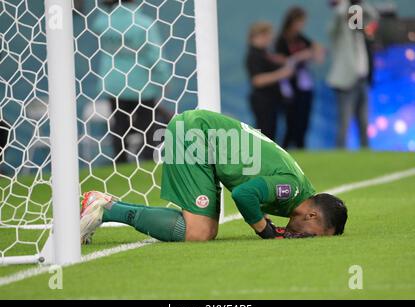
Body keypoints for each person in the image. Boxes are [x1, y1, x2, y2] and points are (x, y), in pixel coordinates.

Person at [80, 109, 348, 243]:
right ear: (312, 216)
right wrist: (264, 229)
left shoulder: (296, 190)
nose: (307, 239)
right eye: (314, 235)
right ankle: (106, 208)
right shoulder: (290, 188)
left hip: (206, 141)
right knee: (199, 232)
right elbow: (244, 194)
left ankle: (105, 205)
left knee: (204, 230)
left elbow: (252, 186)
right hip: (197, 135)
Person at [92, 0, 170, 163]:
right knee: (148, 124)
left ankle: (119, 161)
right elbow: (155, 54)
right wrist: (163, 78)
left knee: (119, 123)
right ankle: (149, 160)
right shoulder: (143, 23)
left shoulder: (104, 22)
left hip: (113, 82)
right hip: (141, 83)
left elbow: (96, 25)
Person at [327, 0, 379, 148]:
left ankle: (365, 153)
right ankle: (340, 154)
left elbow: (373, 15)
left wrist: (360, 3)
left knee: (364, 121)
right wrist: (346, 3)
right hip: (346, 82)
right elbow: (338, 16)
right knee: (344, 122)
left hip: (362, 80)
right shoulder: (340, 33)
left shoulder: (361, 34)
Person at [275, 7, 324, 149]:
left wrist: (315, 52)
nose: (301, 25)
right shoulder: (282, 40)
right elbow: (282, 61)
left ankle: (301, 149)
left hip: (305, 85)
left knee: (303, 122)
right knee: (291, 123)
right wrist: (300, 56)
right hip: (289, 87)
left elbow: (316, 49)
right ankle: (285, 152)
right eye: (300, 21)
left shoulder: (300, 38)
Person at [245, 22, 294, 141]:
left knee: (271, 131)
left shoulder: (264, 53)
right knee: (265, 132)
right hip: (262, 100)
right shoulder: (254, 55)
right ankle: (262, 158)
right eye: (268, 36)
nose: (270, 39)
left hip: (270, 99)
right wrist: (281, 74)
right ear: (260, 36)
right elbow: (257, 80)